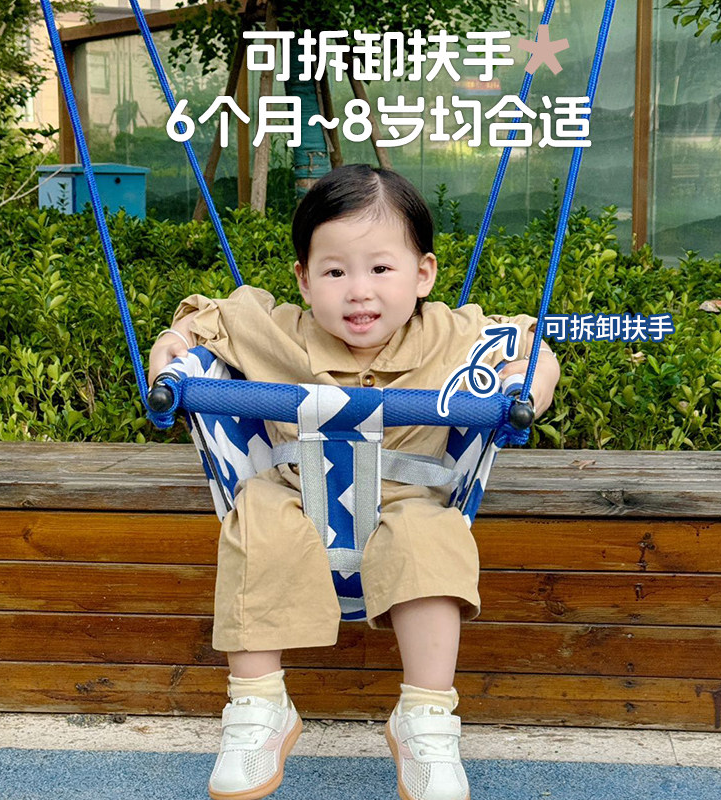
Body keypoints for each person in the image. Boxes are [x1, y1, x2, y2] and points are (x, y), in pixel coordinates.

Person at [148, 164, 560, 800]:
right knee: (256, 517)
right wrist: (171, 345)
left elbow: (529, 345)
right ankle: (258, 705)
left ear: (423, 274)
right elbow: (208, 321)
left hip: (408, 500)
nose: (359, 292)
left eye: (381, 268)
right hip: (294, 492)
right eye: (335, 272)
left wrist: (529, 385)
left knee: (433, 539)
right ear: (304, 279)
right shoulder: (277, 331)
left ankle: (426, 716)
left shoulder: (452, 336)